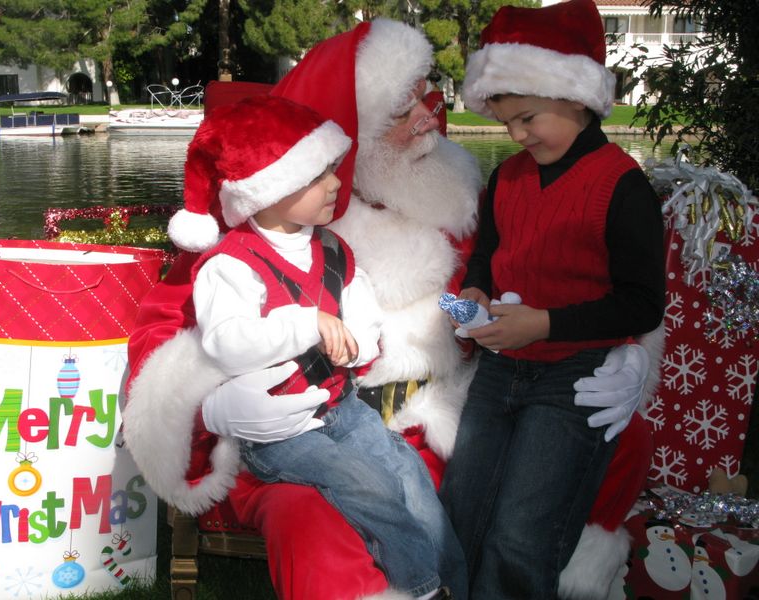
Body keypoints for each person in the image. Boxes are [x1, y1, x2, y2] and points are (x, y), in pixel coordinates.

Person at [123, 17, 659, 600]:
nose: (431, 119)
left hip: (448, 407)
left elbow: (552, 277)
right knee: (317, 523)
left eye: (428, 99)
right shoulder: (270, 234)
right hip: (310, 423)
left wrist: (630, 354)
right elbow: (170, 334)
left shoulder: (460, 192)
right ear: (355, 133)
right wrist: (215, 403)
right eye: (405, 113)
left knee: (595, 451)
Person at [171, 94, 464, 600]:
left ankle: (460, 582)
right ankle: (423, 588)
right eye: (318, 176)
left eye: (333, 169)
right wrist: (307, 324)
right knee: (365, 484)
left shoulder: (329, 247)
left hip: (341, 406)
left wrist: (362, 341)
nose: (335, 183)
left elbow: (363, 309)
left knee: (407, 473)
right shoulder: (231, 264)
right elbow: (225, 344)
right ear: (270, 189)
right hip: (278, 429)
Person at [439, 1, 666, 598]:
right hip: (499, 369)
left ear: (576, 98)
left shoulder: (622, 186)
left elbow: (643, 304)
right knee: (464, 510)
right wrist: (475, 292)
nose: (516, 134)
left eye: (527, 118)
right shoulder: (506, 179)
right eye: (505, 121)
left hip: (574, 377)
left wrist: (543, 323)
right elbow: (488, 255)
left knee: (522, 532)